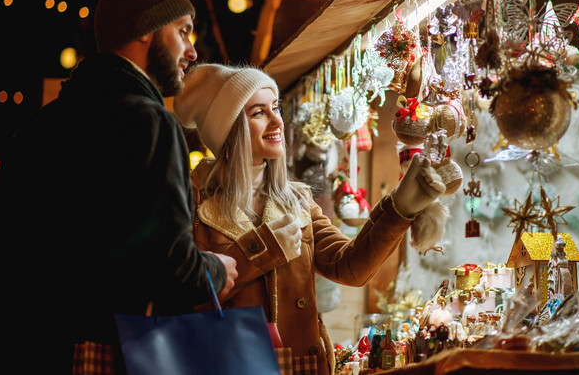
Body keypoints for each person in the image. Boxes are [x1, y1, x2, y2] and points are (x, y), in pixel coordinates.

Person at [0, 0, 237, 374]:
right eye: (183, 32)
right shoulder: (149, 123)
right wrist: (217, 270)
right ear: (146, 31)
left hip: (21, 357)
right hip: (102, 359)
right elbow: (169, 265)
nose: (192, 50)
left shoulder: (34, 130)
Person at [173, 64, 446, 375]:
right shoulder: (193, 205)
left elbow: (350, 266)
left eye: (275, 108)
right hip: (231, 365)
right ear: (229, 129)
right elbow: (188, 298)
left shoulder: (297, 200)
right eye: (258, 112)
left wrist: (400, 207)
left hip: (302, 365)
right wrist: (263, 248)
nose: (277, 120)